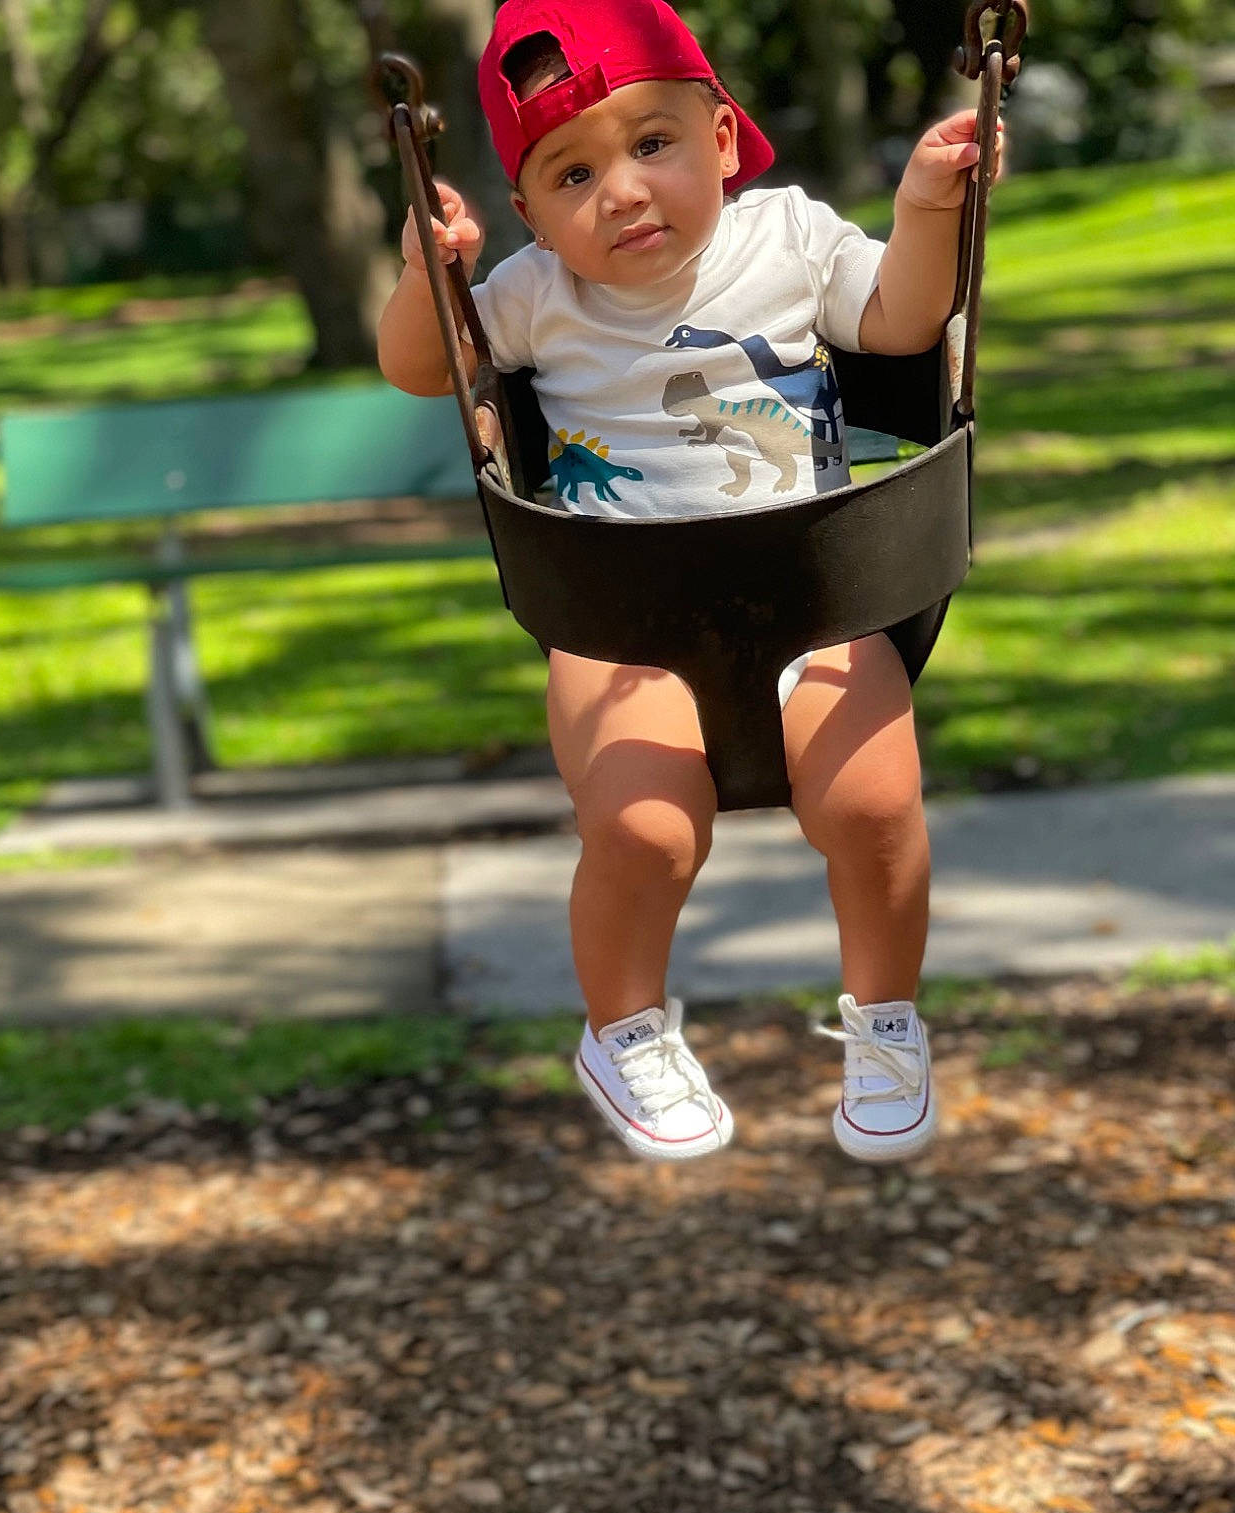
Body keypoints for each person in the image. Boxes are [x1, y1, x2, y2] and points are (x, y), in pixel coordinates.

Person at [378, 0, 998, 1165]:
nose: (620, 191)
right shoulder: (529, 294)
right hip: (626, 630)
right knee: (646, 830)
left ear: (723, 137)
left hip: (816, 597)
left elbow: (905, 318)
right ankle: (622, 1028)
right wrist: (429, 273)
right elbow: (426, 369)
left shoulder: (792, 239)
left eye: (653, 143)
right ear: (529, 214)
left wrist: (928, 206)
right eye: (573, 173)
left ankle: (886, 1016)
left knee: (872, 806)